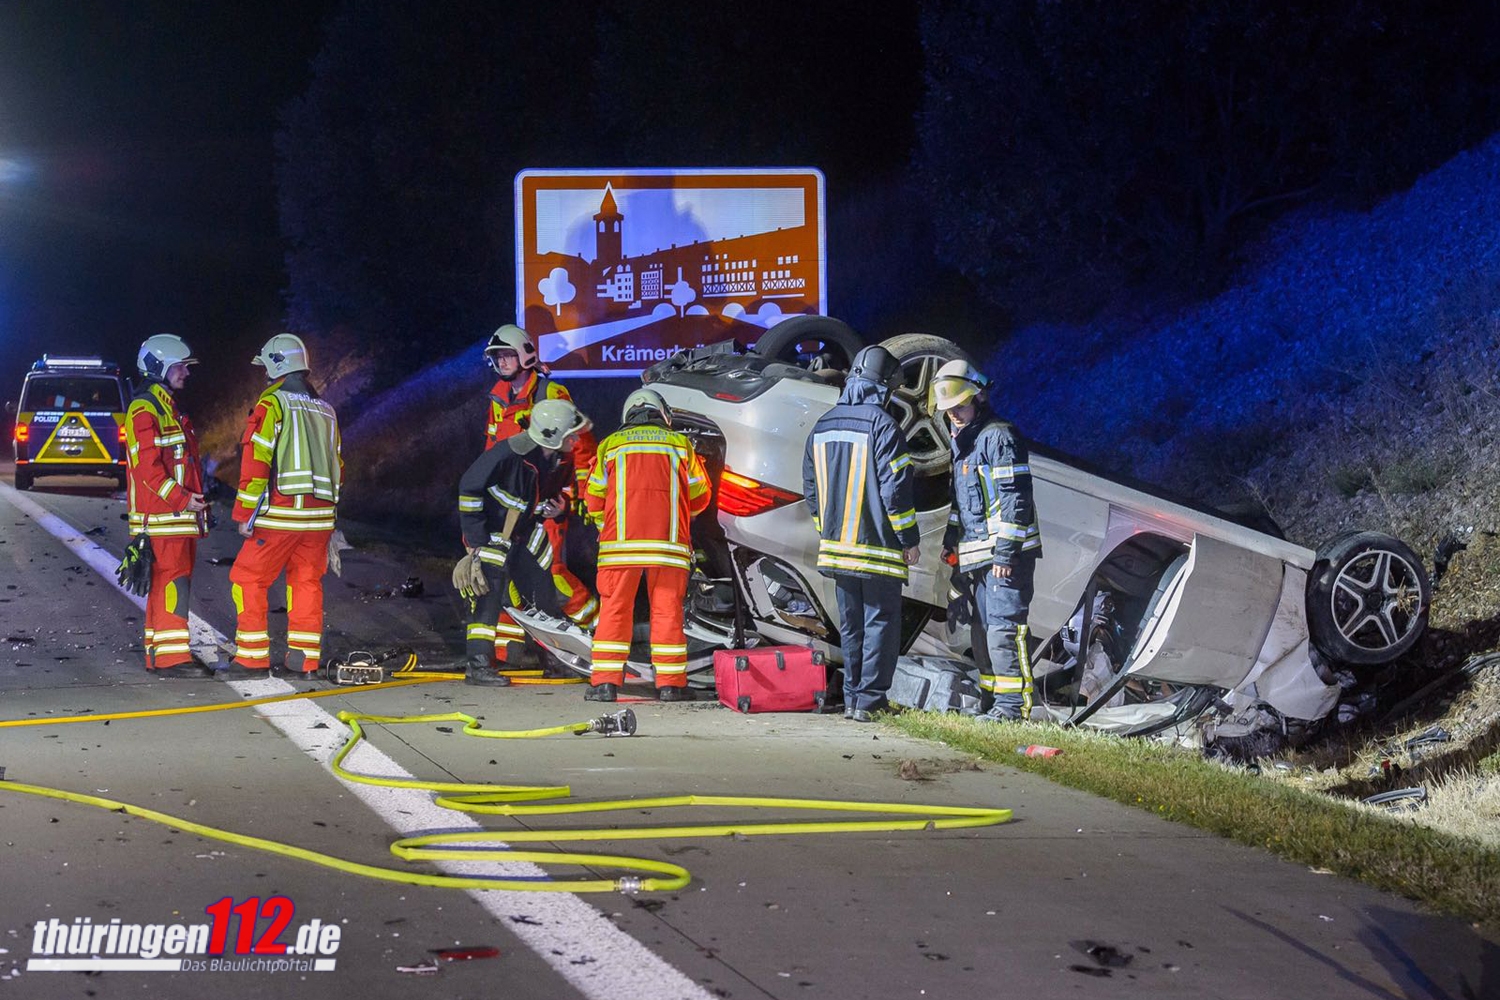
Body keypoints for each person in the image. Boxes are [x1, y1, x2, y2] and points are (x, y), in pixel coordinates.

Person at [802, 345, 921, 722]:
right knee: (880, 626)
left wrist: (828, 531)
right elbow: (895, 491)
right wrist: (909, 540)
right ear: (884, 387)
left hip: (837, 553)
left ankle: (853, 697)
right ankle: (870, 702)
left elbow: (811, 489)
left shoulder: (823, 425)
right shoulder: (884, 426)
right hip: (879, 552)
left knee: (850, 628)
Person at [219, 334, 342, 680]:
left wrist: (245, 513)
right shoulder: (326, 409)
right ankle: (304, 660)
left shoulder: (272, 406)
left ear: (277, 366)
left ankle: (252, 657)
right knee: (306, 582)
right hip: (320, 518)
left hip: (282, 513)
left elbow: (257, 462)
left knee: (247, 578)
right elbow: (338, 466)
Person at [931, 358, 1042, 721]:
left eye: (959, 407)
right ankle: (992, 705)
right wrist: (951, 541)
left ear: (977, 397)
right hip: (979, 558)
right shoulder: (965, 444)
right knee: (981, 635)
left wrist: (1006, 555)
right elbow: (962, 506)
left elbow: (1016, 499)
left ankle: (1013, 711)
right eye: (948, 411)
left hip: (1004, 558)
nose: (955, 416)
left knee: (1002, 632)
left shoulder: (999, 437)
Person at [481, 324, 600, 664]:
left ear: (525, 354)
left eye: (507, 355)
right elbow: (491, 452)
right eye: (497, 357)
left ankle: (599, 632)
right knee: (504, 574)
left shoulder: (551, 392)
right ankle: (512, 650)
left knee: (554, 575)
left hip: (547, 500)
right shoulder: (498, 399)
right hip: (510, 504)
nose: (502, 362)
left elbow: (580, 448)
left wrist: (572, 499)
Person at [583, 389, 710, 702]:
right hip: (669, 548)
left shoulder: (609, 446)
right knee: (667, 613)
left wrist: (607, 527)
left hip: (618, 550)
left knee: (614, 611)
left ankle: (605, 685)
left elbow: (593, 499)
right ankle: (670, 685)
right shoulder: (681, 445)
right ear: (662, 414)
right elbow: (701, 496)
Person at [459, 397, 592, 686]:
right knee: (487, 599)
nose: (577, 440)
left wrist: (562, 508)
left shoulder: (560, 459)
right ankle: (478, 667)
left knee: (543, 596)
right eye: (572, 435)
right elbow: (469, 488)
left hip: (525, 534)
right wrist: (477, 541)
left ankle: (554, 661)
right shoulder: (507, 454)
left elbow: (559, 495)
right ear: (554, 436)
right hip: (493, 536)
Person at [123, 334, 214, 678]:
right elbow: (147, 469)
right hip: (165, 517)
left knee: (167, 583)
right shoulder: (145, 409)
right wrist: (182, 499)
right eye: (180, 366)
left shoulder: (165, 407)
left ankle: (159, 654)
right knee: (173, 582)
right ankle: (172, 660)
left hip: (176, 516)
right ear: (158, 366)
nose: (186, 373)